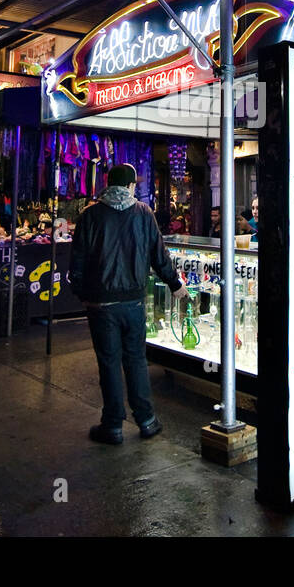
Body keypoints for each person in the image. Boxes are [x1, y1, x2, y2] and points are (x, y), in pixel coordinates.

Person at [70, 163, 188, 444]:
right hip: (134, 302)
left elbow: (76, 262)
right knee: (135, 360)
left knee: (109, 362)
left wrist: (82, 294)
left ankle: (112, 426)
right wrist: (175, 284)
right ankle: (146, 420)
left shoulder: (89, 215)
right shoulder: (144, 213)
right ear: (131, 186)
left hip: (101, 304)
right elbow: (159, 256)